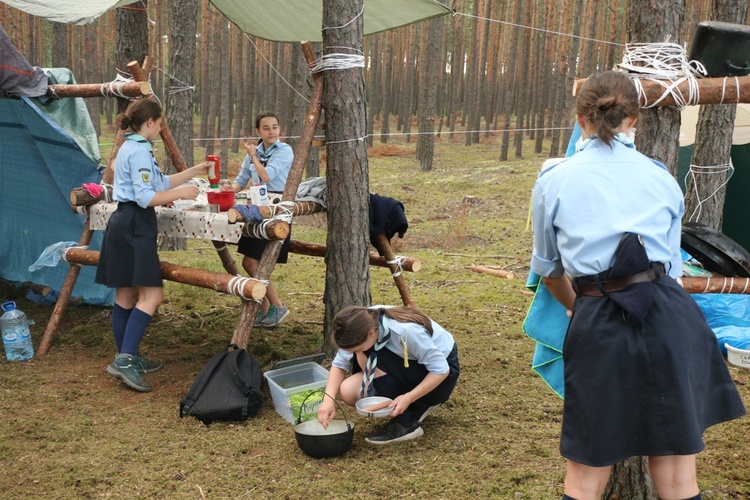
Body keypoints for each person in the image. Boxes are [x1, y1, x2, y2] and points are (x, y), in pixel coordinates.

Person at [530, 71, 745, 500]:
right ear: (634, 121)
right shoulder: (660, 177)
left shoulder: (553, 179)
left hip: (597, 317)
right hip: (670, 316)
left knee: (586, 476)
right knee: (678, 476)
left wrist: (577, 307)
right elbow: (670, 266)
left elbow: (549, 270)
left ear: (580, 118)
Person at [95, 99, 211, 393]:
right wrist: (184, 192)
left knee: (126, 294)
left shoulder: (131, 147)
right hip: (135, 224)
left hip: (124, 222)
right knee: (152, 296)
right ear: (149, 123)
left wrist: (194, 171)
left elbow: (160, 182)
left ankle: (127, 356)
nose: (161, 128)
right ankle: (125, 360)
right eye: (160, 124)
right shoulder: (139, 151)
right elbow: (147, 197)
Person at [317, 305, 460, 445]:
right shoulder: (361, 323)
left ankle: (407, 424)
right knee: (349, 391)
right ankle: (413, 405)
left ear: (371, 334)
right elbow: (339, 365)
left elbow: (441, 370)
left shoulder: (406, 331)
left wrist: (408, 397)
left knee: (364, 354)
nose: (354, 352)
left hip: (441, 380)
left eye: (356, 348)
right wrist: (328, 401)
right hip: (411, 368)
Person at [224, 112, 294, 327]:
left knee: (255, 263)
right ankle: (267, 312)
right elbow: (242, 179)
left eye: (275, 127)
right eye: (266, 128)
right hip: (257, 209)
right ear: (258, 131)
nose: (271, 132)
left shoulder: (284, 151)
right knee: (249, 262)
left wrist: (253, 156)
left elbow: (267, 176)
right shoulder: (255, 152)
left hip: (276, 210)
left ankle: (278, 306)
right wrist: (231, 189)